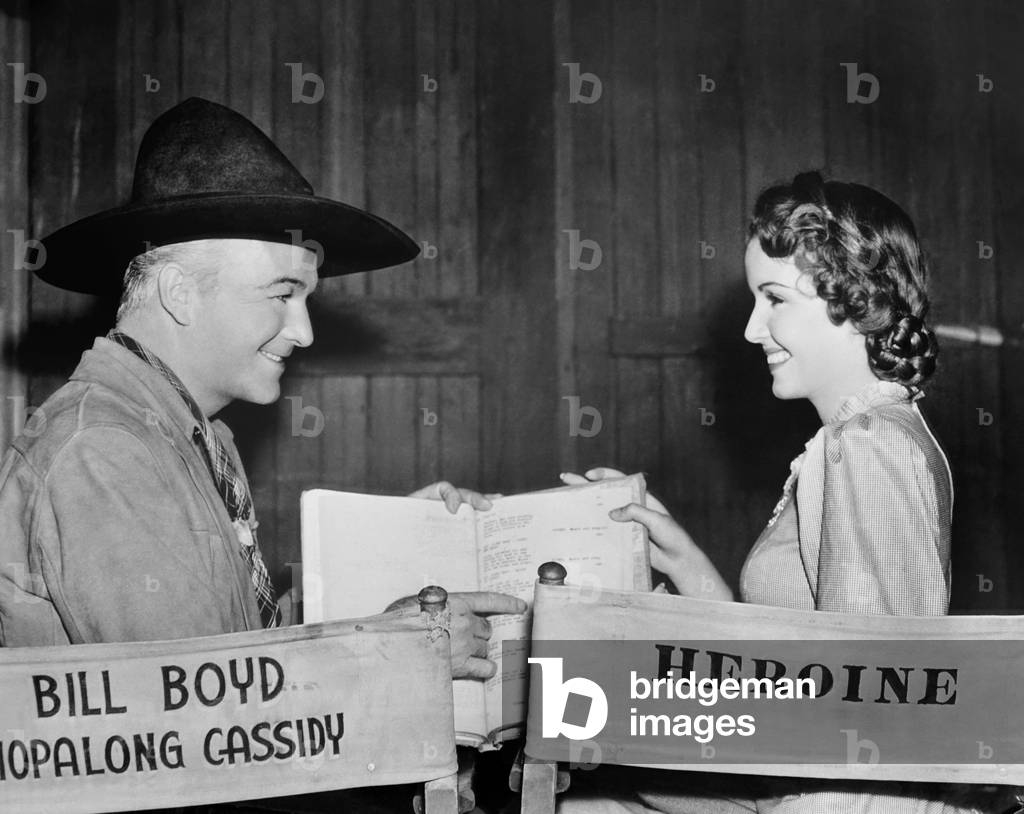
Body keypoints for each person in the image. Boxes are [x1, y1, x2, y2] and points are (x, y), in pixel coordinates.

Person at [0, 97, 525, 683]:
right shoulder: (103, 452)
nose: (303, 332)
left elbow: (237, 644)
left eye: (306, 299)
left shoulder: (192, 433)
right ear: (179, 292)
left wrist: (384, 550)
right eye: (281, 294)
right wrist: (404, 644)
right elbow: (204, 712)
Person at [560, 172, 1000, 812]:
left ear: (852, 297)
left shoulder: (869, 442)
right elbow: (798, 667)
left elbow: (878, 701)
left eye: (774, 300)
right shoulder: (854, 437)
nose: (751, 329)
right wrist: (683, 557)